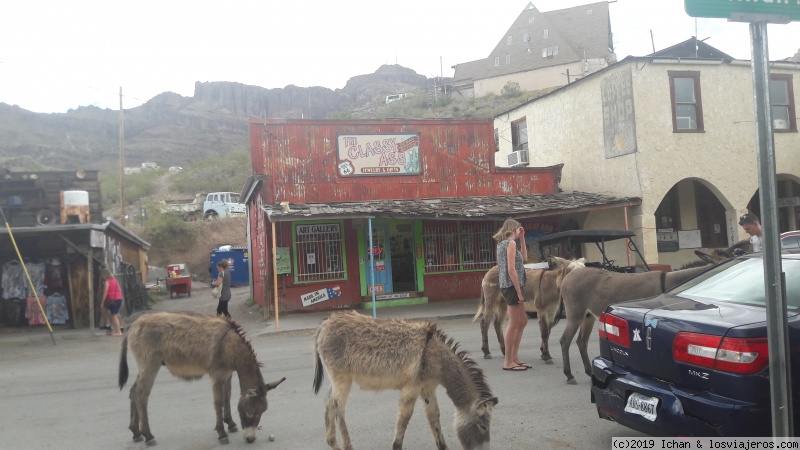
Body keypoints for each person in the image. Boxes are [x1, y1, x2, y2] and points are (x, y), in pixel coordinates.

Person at [493, 218, 530, 371]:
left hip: (511, 285)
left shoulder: (505, 244)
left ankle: (514, 357)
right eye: (518, 230)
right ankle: (508, 361)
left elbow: (525, 259)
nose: (518, 232)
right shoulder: (510, 243)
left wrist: (522, 238)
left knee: (522, 321)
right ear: (512, 229)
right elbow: (511, 269)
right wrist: (519, 292)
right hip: (511, 286)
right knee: (514, 323)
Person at [100, 268, 124, 336]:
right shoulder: (115, 281)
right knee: (115, 314)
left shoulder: (107, 282)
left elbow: (105, 292)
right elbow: (119, 289)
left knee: (114, 316)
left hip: (113, 300)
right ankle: (115, 330)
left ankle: (118, 332)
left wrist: (102, 302)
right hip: (118, 299)